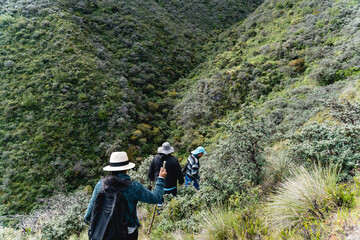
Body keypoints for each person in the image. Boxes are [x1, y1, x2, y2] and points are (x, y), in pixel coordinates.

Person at [84, 151, 167, 240]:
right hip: (127, 233)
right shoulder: (133, 186)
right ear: (126, 169)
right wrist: (161, 179)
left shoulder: (101, 184)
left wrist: (89, 220)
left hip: (103, 231)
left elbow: (91, 208)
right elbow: (155, 198)